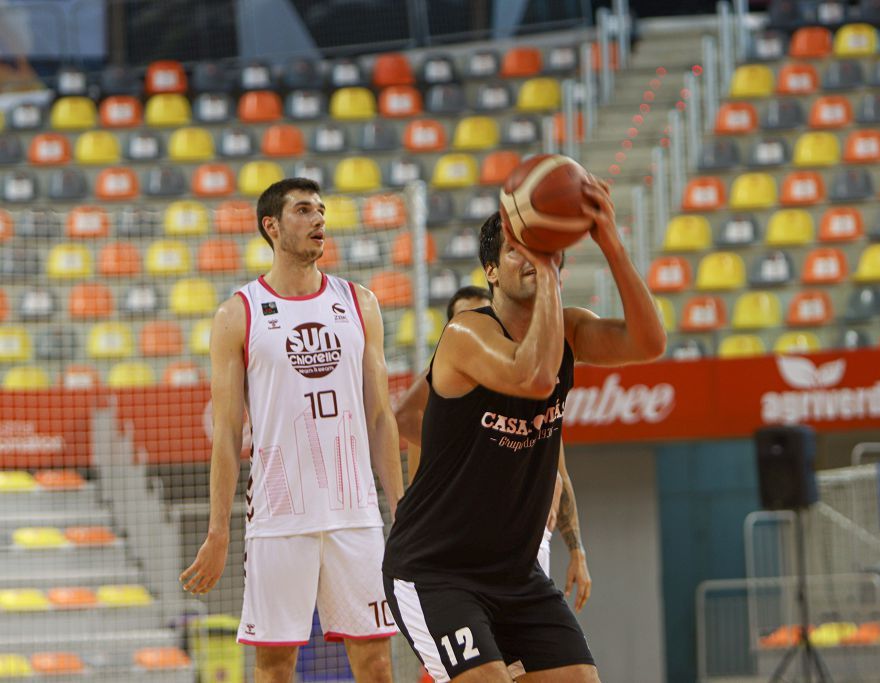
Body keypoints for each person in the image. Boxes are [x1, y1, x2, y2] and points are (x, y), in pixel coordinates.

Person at [382, 177, 666, 682]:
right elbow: (532, 377)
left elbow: (649, 342)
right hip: (437, 571)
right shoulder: (466, 333)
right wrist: (550, 270)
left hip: (515, 574)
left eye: (542, 248)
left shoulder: (571, 330)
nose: (532, 259)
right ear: (490, 271)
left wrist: (612, 245)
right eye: (519, 250)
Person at [180, 178, 404, 683]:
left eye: (322, 210)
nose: (319, 219)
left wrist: (402, 509)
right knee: (275, 666)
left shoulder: (360, 302)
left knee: (376, 664)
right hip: (280, 517)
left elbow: (379, 418)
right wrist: (219, 531)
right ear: (272, 226)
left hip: (355, 514)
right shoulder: (238, 313)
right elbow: (227, 432)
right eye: (304, 210)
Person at [396, 287, 592, 612]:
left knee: (532, 658)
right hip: (463, 547)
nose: (481, 328)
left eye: (486, 317)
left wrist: (577, 550)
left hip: (525, 537)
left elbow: (559, 472)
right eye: (468, 320)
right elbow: (404, 427)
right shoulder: (440, 398)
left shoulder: (529, 387)